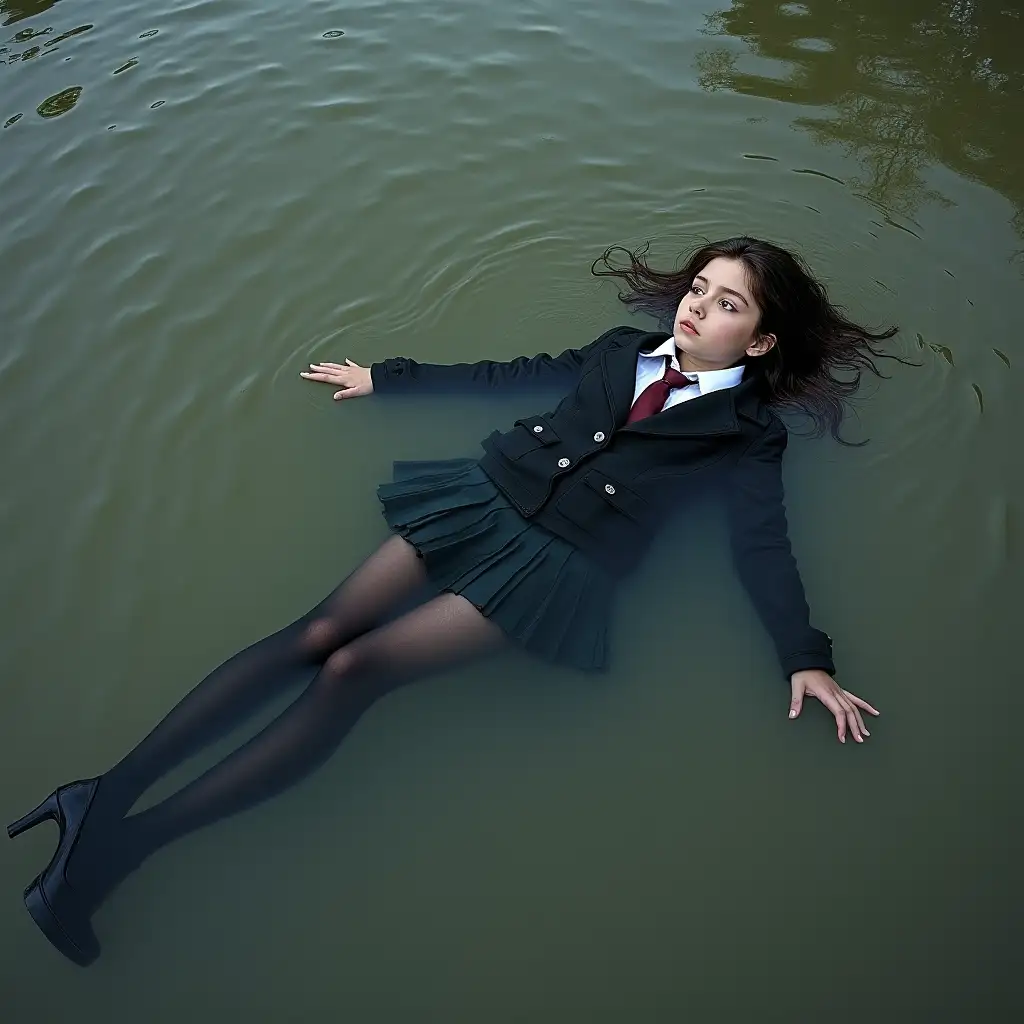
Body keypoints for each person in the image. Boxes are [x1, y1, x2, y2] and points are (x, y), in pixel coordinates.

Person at [7, 236, 898, 966]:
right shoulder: (622, 351)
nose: (696, 307)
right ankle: (101, 793)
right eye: (698, 288)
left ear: (761, 342)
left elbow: (760, 545)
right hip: (481, 497)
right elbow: (511, 374)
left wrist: (805, 656)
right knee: (316, 632)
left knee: (357, 667)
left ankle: (124, 847)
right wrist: (387, 379)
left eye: (727, 304)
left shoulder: (747, 436)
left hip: (556, 568)